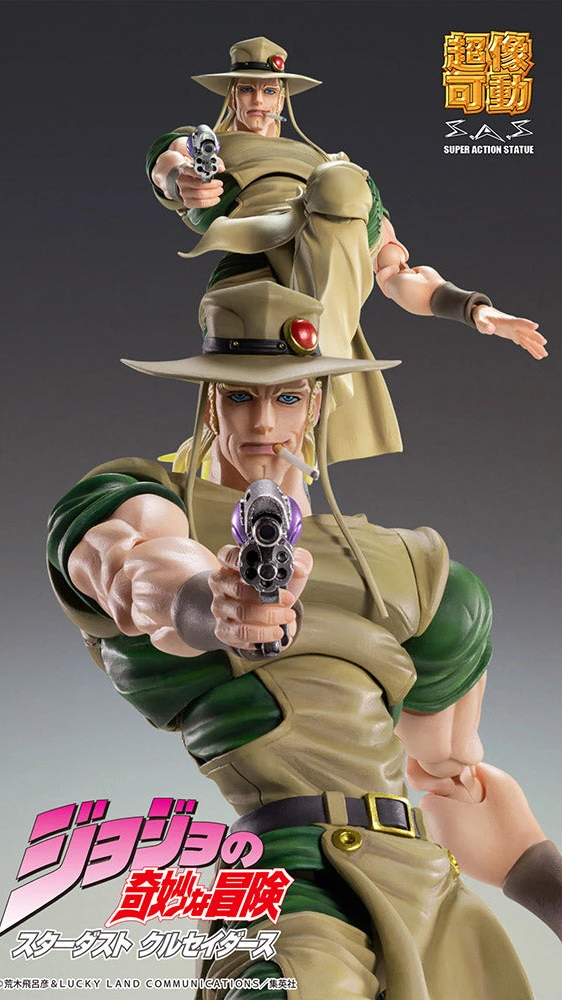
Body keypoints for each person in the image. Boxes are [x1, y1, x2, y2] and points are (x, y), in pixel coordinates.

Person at [48, 282, 560, 1000]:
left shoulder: (414, 570)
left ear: (316, 403)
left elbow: (454, 782)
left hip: (427, 894)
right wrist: (208, 604)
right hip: (289, 883)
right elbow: (135, 566)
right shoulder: (146, 502)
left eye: (287, 397)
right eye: (238, 396)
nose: (264, 420)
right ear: (210, 404)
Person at [146, 37, 547, 466]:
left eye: (268, 90)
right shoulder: (210, 146)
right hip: (248, 290)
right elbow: (167, 161)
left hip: (320, 297)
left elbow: (396, 274)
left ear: (282, 97)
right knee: (246, 426)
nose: (258, 101)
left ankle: (320, 376)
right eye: (246, 89)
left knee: (286, 439)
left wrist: (473, 309)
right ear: (232, 95)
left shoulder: (330, 166)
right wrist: (180, 178)